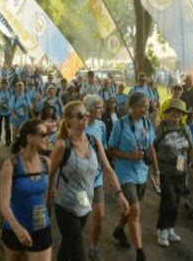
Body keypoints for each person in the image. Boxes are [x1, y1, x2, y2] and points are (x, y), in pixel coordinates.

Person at [47, 101, 130, 261]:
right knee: (78, 251)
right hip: (65, 206)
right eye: (80, 116)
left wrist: (120, 194)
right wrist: (48, 198)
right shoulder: (63, 145)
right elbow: (50, 173)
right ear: (69, 120)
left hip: (85, 203)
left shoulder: (94, 141)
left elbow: (108, 168)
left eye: (86, 115)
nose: (85, 118)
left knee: (68, 245)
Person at [108, 92, 160, 261]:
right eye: (143, 106)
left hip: (142, 173)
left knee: (130, 209)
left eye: (147, 106)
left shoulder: (147, 122)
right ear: (132, 106)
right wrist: (129, 156)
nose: (146, 109)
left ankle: (118, 230)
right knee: (136, 211)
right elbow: (110, 149)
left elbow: (151, 147)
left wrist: (156, 170)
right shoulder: (120, 125)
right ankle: (140, 252)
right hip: (125, 174)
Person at [0, 119, 52, 261]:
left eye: (49, 134)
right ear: (30, 137)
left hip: (42, 227)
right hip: (14, 229)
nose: (48, 138)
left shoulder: (47, 163)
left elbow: (50, 194)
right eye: (44, 134)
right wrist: (17, 229)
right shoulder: (11, 165)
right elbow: (4, 204)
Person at [154, 99, 193, 246]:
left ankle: (169, 228)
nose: (176, 117)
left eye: (179, 114)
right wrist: (155, 169)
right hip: (165, 170)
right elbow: (152, 147)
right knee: (170, 200)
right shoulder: (161, 128)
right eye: (173, 114)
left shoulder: (185, 128)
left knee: (176, 200)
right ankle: (162, 230)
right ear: (168, 114)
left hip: (180, 170)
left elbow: (192, 147)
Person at [82, 95, 108, 260]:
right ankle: (74, 244)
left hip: (96, 179)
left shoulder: (101, 126)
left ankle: (94, 246)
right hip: (81, 181)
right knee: (82, 214)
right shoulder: (78, 126)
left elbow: (103, 152)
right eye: (98, 107)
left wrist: (105, 174)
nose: (101, 110)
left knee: (99, 215)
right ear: (90, 109)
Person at [0, 79, 12, 146]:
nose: (4, 86)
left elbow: (11, 99)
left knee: (7, 126)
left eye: (5, 84)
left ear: (7, 85)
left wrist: (9, 105)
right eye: (3, 84)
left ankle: (8, 140)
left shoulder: (9, 91)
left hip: (7, 111)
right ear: (1, 84)